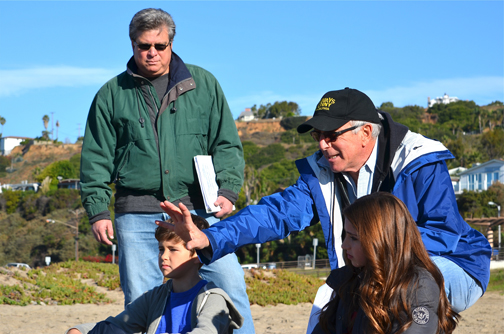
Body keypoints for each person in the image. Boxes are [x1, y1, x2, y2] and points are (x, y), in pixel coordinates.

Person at [158, 88, 491, 321]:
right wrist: (210, 238)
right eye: (317, 134)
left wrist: (376, 248)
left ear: (365, 133)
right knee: (327, 304)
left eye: (332, 134)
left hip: (453, 265)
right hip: (370, 271)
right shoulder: (322, 172)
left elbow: (445, 234)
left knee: (402, 286)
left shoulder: (420, 159)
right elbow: (273, 214)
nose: (322, 143)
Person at [79, 8, 254, 333]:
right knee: (142, 304)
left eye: (159, 46)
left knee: (230, 285)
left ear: (171, 43)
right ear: (132, 45)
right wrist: (97, 210)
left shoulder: (204, 84)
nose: (151, 53)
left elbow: (227, 143)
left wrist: (229, 190)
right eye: (144, 46)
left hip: (200, 210)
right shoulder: (110, 95)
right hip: (137, 213)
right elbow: (95, 157)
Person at [66, 215, 243, 334]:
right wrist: (80, 331)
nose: (163, 256)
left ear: (197, 255)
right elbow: (117, 325)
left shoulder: (212, 298)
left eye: (173, 249)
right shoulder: (155, 298)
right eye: (161, 249)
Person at [312, 192, 459, 334]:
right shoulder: (352, 279)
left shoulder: (418, 288)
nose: (344, 245)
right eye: (346, 235)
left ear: (381, 240)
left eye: (354, 238)